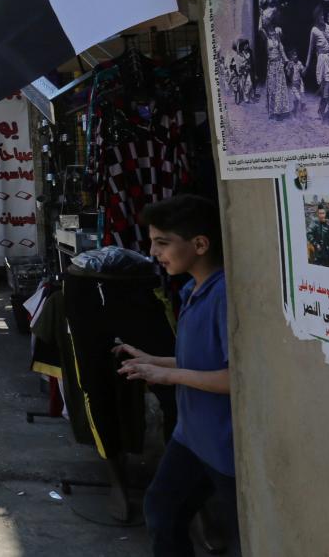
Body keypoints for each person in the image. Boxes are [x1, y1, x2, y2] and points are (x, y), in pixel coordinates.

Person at [113, 195, 234, 557]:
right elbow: (198, 360)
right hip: (191, 436)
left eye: (162, 243)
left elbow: (234, 379)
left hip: (224, 445)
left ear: (199, 244)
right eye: (153, 242)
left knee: (244, 535)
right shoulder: (191, 289)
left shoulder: (225, 294)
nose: (153, 252)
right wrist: (154, 362)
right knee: (162, 510)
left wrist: (170, 376)